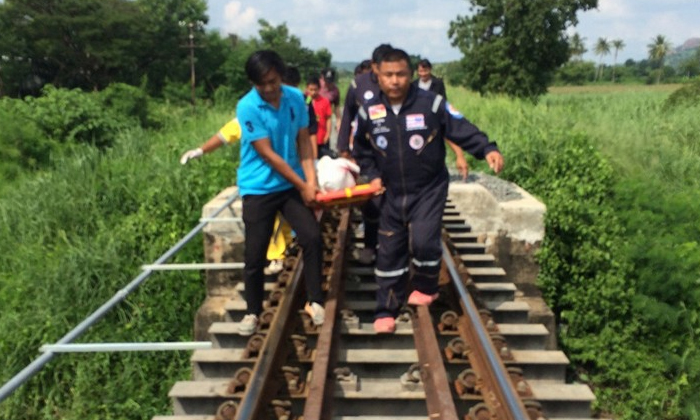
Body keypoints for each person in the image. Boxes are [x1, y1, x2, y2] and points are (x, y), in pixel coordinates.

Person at [352, 48, 504, 334]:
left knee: (423, 241)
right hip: (389, 191)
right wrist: (371, 176)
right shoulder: (369, 111)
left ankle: (425, 285)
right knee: (389, 252)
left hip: (428, 189)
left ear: (411, 75)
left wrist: (487, 148)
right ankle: (386, 309)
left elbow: (461, 128)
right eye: (389, 75)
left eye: (401, 74)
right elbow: (361, 149)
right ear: (378, 75)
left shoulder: (431, 104)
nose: (395, 81)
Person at [230, 50, 326, 335]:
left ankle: (315, 300)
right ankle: (252, 311)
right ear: (254, 83)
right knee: (255, 253)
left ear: (281, 76)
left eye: (273, 81)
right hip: (258, 187)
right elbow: (269, 155)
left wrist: (312, 181)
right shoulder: (247, 106)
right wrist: (303, 186)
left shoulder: (295, 98)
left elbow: (304, 143)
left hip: (289, 185)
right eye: (262, 84)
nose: (269, 89)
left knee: (312, 236)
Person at [336, 44, 393, 266]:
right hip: (367, 152)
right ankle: (370, 245)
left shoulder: (399, 83)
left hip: (394, 152)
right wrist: (343, 148)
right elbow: (348, 114)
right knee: (371, 200)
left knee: (393, 202)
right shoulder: (359, 84)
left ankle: (391, 248)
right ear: (374, 66)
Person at [413, 58, 469, 180]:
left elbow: (443, 100)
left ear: (429, 70)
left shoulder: (437, 83)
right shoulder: (414, 85)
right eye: (420, 71)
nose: (423, 74)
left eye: (425, 71)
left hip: (434, 116)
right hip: (418, 119)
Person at [306, 75, 333, 159]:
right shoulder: (305, 102)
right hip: (309, 139)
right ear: (307, 89)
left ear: (319, 89)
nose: (313, 92)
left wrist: (327, 134)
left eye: (315, 89)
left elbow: (328, 118)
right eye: (311, 90)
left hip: (322, 138)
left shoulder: (325, 101)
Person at [319, 67, 341, 133]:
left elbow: (336, 106)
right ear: (322, 77)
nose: (328, 84)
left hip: (326, 118)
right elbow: (308, 97)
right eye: (326, 81)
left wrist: (338, 120)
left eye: (330, 81)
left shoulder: (335, 91)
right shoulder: (316, 85)